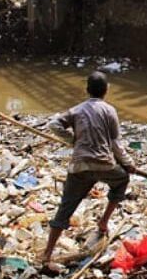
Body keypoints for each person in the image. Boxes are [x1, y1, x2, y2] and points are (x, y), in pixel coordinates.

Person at [41, 72, 135, 266]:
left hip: (80, 166)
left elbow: (53, 124)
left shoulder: (76, 110)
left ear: (87, 90)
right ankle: (104, 222)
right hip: (103, 164)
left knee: (65, 208)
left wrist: (73, 141)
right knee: (122, 179)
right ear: (106, 90)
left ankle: (47, 253)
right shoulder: (109, 111)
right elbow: (116, 143)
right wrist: (128, 163)